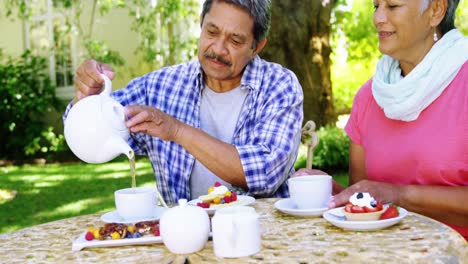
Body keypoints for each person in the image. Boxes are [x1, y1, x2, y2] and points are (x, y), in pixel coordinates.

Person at [64, 0, 304, 204]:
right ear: (201, 23)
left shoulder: (278, 85)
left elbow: (264, 174)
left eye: (235, 41)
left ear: (256, 47)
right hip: (184, 242)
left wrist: (176, 130)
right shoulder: (160, 86)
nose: (218, 49)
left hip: (263, 243)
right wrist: (89, 98)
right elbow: (89, 130)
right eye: (211, 32)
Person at [296, 0, 468, 239]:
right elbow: (365, 203)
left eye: (393, 6)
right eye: (376, 6)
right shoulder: (369, 96)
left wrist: (398, 195)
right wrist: (331, 190)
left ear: (436, 10)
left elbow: (386, 195)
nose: (378, 18)